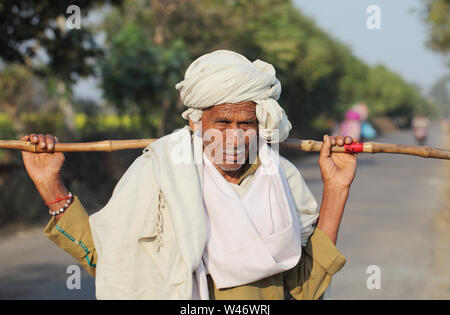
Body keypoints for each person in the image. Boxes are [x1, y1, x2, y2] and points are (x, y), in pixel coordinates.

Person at [21, 50, 358, 300]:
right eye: (222, 123)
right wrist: (50, 184)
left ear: (261, 126)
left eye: (247, 124)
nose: (234, 138)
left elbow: (307, 288)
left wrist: (337, 188)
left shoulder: (281, 179)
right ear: (197, 123)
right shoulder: (159, 172)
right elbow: (109, 261)